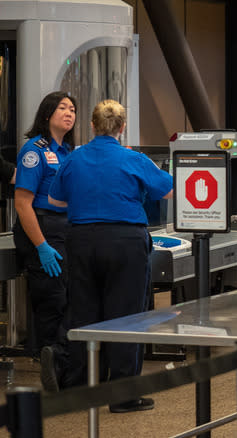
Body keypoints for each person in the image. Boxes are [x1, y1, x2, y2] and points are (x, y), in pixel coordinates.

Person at [47, 99, 173, 414]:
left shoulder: (74, 160)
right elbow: (168, 190)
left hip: (82, 241)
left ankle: (80, 389)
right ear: (121, 127)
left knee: (83, 313)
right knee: (127, 316)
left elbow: (54, 199)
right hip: (125, 242)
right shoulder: (134, 158)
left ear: (91, 125)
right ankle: (123, 395)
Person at [13, 91, 75, 372]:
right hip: (40, 227)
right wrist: (41, 246)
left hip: (63, 228)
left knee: (67, 296)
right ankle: (51, 360)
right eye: (63, 107)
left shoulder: (68, 152)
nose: (69, 113)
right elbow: (23, 203)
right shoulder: (33, 151)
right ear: (47, 114)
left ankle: (59, 357)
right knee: (52, 298)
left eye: (73, 109)